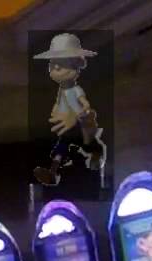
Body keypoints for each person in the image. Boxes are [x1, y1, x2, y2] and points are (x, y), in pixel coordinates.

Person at [32, 33, 105, 188]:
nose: (56, 68)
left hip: (79, 123)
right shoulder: (62, 90)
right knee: (62, 146)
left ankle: (95, 154)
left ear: (76, 67)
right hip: (67, 126)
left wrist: (83, 114)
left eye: (62, 64)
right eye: (53, 64)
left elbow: (83, 103)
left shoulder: (75, 90)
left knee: (87, 144)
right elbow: (60, 104)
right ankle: (53, 172)